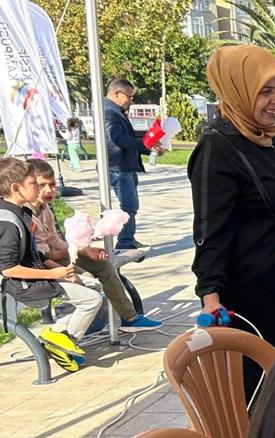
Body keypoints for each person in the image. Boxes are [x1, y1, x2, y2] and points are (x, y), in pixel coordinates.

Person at [190, 45, 275, 398]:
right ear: (237, 89)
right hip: (256, 301)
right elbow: (210, 231)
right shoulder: (217, 149)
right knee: (266, 400)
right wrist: (210, 296)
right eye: (265, 91)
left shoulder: (273, 137)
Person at [26, 159, 160, 331]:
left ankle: (130, 317)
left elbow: (53, 239)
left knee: (103, 266)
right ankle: (64, 334)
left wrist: (82, 250)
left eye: (52, 184)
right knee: (87, 280)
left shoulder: (46, 209)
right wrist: (67, 254)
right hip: (42, 264)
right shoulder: (26, 214)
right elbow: (38, 254)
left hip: (56, 256)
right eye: (42, 185)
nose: (48, 190)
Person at [0, 158, 103, 373]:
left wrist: (59, 271)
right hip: (21, 285)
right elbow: (8, 269)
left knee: (93, 287)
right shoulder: (8, 221)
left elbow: (33, 253)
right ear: (16, 188)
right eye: (34, 184)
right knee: (91, 299)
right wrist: (53, 274)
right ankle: (60, 341)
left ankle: (58, 336)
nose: (39, 188)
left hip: (37, 276)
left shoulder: (21, 212)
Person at [104, 78, 163, 250]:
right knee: (129, 206)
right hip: (118, 167)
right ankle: (125, 242)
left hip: (125, 166)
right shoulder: (109, 112)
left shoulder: (116, 110)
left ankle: (128, 238)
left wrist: (149, 148)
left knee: (130, 206)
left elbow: (127, 139)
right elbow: (118, 139)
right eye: (129, 97)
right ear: (117, 93)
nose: (130, 101)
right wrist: (146, 144)